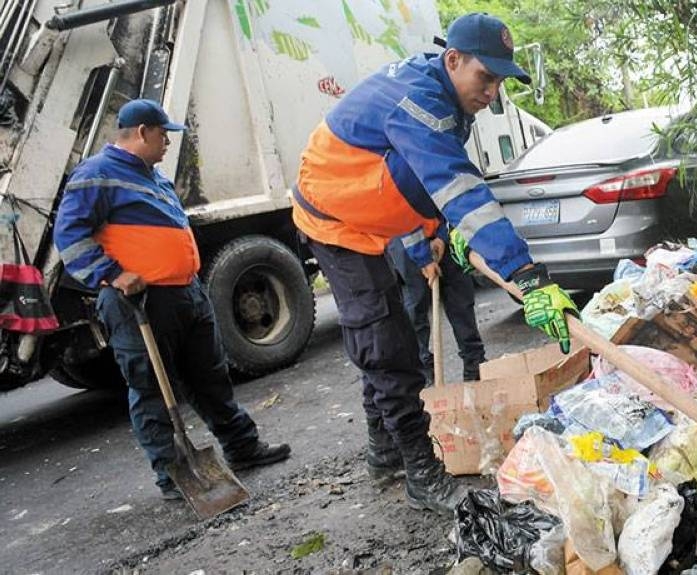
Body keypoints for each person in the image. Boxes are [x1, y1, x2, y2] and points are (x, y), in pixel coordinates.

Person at [292, 12, 578, 515]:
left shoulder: (447, 95)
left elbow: (412, 177)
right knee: (388, 343)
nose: (492, 92)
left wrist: (433, 235)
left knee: (383, 337)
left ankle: (384, 452)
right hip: (335, 223)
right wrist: (526, 275)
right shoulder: (420, 101)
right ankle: (420, 473)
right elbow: (458, 186)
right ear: (452, 59)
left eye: (499, 81)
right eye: (484, 77)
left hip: (370, 216)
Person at [54, 99, 291, 500]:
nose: (167, 143)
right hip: (140, 304)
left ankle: (243, 447)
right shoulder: (96, 175)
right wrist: (111, 274)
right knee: (150, 389)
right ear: (142, 133)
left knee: (210, 377)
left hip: (186, 294)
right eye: (163, 135)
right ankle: (172, 474)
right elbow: (70, 237)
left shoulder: (154, 176)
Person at [386, 223, 486, 383]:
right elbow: (399, 213)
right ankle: (422, 369)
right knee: (415, 303)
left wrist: (442, 237)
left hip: (442, 230)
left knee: (461, 300)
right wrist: (422, 257)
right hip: (405, 237)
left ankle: (474, 362)